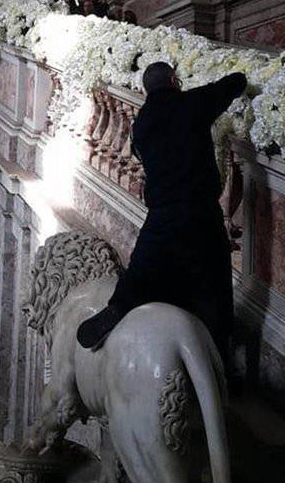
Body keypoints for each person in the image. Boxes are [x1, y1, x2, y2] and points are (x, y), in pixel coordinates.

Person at [76, 61, 247, 365]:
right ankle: (222, 359)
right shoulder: (192, 103)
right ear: (173, 80)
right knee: (214, 282)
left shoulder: (141, 124)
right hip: (201, 213)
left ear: (145, 90)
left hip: (163, 214)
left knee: (143, 268)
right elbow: (236, 82)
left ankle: (118, 307)